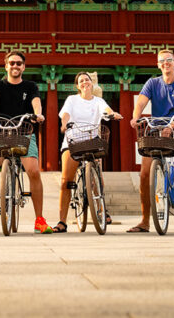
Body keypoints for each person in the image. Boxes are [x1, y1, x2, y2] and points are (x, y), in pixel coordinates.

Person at [0, 50, 52, 234]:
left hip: (23, 132)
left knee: (33, 170)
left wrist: (38, 114)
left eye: (19, 63)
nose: (15, 66)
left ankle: (39, 220)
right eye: (12, 63)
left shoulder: (30, 86)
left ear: (24, 67)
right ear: (6, 66)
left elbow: (36, 102)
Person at [127, 49, 174, 233]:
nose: (165, 63)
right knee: (144, 174)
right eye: (162, 61)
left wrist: (173, 124)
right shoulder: (152, 83)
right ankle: (144, 221)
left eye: (169, 60)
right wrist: (136, 117)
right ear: (158, 65)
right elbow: (141, 103)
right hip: (157, 128)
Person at [53, 72, 122, 233]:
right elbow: (65, 114)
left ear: (92, 84)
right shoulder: (72, 99)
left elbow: (106, 109)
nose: (85, 83)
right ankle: (62, 221)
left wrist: (112, 114)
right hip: (73, 141)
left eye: (87, 80)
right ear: (78, 86)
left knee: (97, 176)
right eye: (81, 81)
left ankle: (101, 209)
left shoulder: (98, 100)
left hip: (92, 142)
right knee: (65, 181)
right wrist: (64, 124)